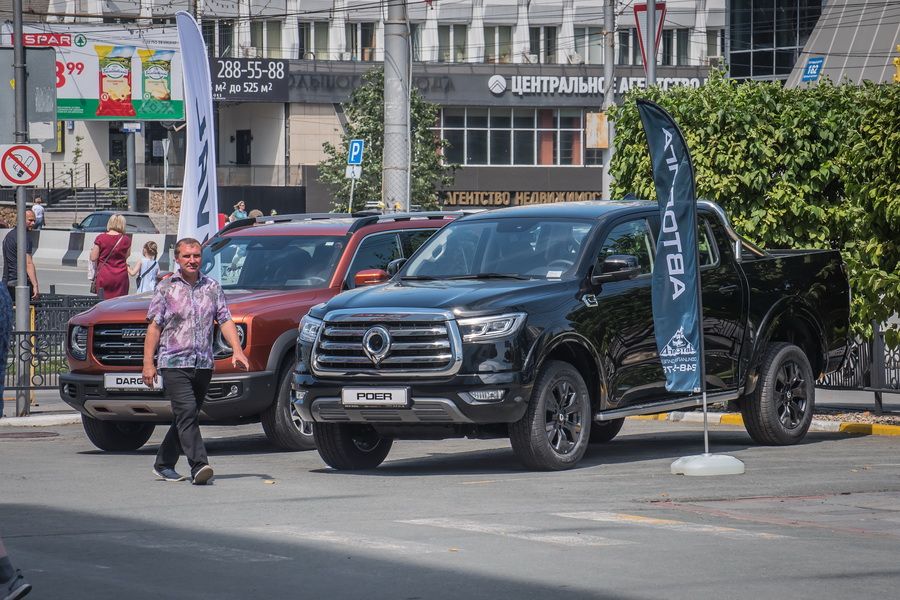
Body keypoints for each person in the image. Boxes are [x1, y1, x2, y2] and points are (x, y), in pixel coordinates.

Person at [143, 238, 249, 485]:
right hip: (174, 362)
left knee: (185, 416)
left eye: (197, 256)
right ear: (177, 259)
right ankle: (199, 465)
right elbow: (154, 327)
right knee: (188, 411)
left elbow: (225, 320)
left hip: (202, 363)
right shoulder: (166, 288)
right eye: (187, 256)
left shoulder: (212, 287)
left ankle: (163, 463)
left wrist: (237, 351)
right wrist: (148, 363)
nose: (192, 260)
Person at [90, 214, 131, 299]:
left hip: (104, 275)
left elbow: (93, 258)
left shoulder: (101, 238)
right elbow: (127, 255)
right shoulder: (126, 239)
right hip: (121, 277)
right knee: (119, 303)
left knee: (103, 302)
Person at [1, 210, 39, 304]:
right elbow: (28, 263)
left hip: (7, 282)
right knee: (31, 312)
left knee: (11, 313)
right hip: (19, 282)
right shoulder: (24, 237)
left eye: (34, 220)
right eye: (30, 220)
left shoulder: (9, 236)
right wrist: (35, 285)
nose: (33, 223)